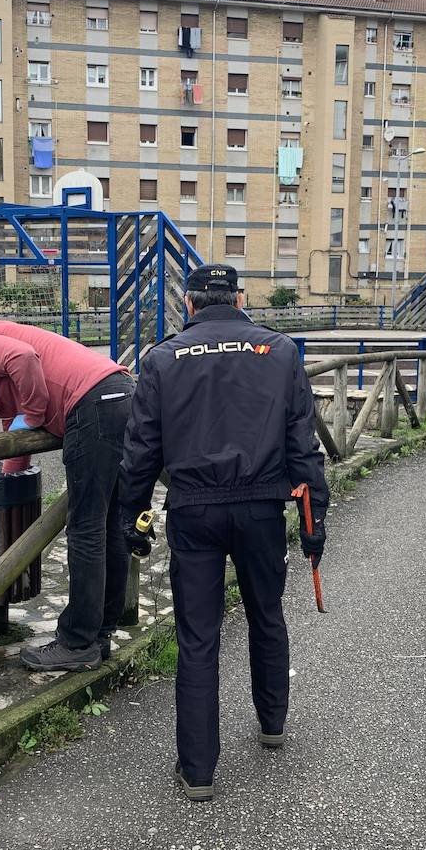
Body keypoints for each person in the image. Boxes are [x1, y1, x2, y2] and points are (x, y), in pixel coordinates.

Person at [120, 265, 329, 802]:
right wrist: (314, 522)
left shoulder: (164, 359)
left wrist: (133, 515)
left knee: (198, 638)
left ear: (188, 304)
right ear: (238, 298)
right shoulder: (280, 352)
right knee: (267, 613)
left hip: (194, 510)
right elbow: (302, 444)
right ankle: (272, 723)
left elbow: (141, 449)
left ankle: (198, 772)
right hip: (261, 506)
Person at [0, 322, 134, 672]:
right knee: (110, 525)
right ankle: (100, 633)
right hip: (118, 394)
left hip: (90, 404)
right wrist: (8, 478)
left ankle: (77, 643)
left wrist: (37, 413)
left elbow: (23, 359)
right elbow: (16, 419)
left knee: (86, 530)